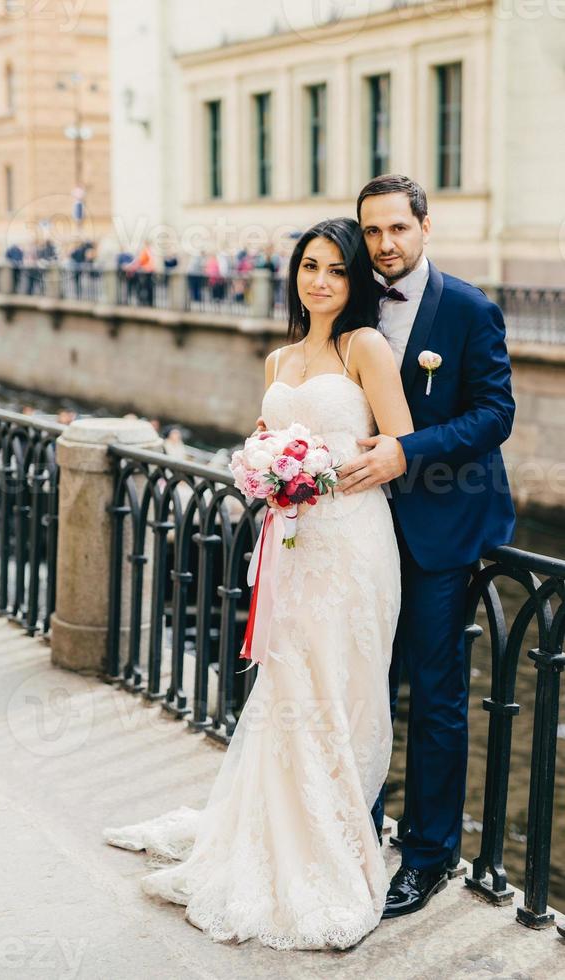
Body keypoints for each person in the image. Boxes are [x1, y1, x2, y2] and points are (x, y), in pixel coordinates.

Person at [102, 217, 415, 950]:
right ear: (294, 275)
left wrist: (316, 476)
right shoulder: (278, 360)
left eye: (338, 270)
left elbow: (397, 446)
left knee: (340, 690)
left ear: (355, 280)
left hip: (352, 543)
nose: (322, 282)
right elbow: (262, 439)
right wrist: (266, 469)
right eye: (311, 267)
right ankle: (276, 833)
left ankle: (332, 844)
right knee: (288, 687)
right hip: (293, 548)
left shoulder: (362, 347)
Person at [337, 174, 515, 918]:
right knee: (363, 683)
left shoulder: (471, 308)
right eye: (372, 232)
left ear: (425, 227)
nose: (384, 245)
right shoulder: (349, 301)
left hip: (442, 528)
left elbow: (493, 415)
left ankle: (431, 853)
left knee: (436, 696)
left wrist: (408, 450)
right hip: (360, 527)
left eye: (397, 230)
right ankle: (358, 830)